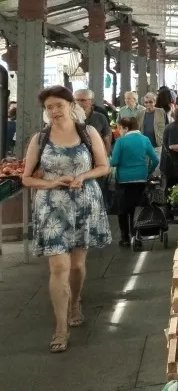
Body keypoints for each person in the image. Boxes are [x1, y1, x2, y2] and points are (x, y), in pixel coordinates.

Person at [22, 86, 111, 353]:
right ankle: (60, 329)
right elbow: (26, 178)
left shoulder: (88, 132)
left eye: (58, 105)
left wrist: (83, 176)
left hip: (83, 203)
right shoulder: (39, 139)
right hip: (51, 208)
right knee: (59, 266)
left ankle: (75, 302)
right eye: (49, 107)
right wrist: (50, 183)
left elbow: (103, 166)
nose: (54, 111)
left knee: (77, 266)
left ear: (71, 105)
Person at [109, 117, 159, 246]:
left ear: (126, 128)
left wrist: (108, 159)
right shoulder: (145, 139)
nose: (118, 131)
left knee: (123, 210)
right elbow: (155, 160)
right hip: (141, 179)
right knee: (137, 208)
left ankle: (125, 238)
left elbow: (114, 162)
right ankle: (137, 236)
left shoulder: (120, 141)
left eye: (119, 128)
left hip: (123, 180)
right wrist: (148, 171)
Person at [74, 89, 112, 155]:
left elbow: (106, 139)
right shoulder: (69, 117)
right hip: (75, 155)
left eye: (83, 100)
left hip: (96, 155)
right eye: (77, 100)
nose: (79, 103)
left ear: (91, 101)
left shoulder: (100, 117)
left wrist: (106, 156)